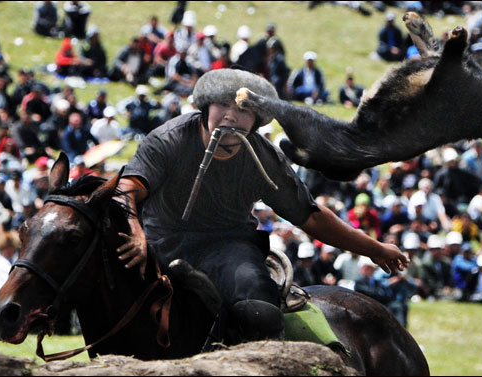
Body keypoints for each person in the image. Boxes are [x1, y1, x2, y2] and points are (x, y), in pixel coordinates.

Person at [116, 68, 408, 345]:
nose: (231, 116)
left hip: (228, 248)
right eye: (222, 105)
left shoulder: (263, 157)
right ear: (205, 107)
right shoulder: (169, 140)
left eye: (243, 109)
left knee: (261, 312)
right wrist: (135, 232)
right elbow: (127, 189)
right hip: (158, 245)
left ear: (256, 120)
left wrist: (376, 249)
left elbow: (312, 219)